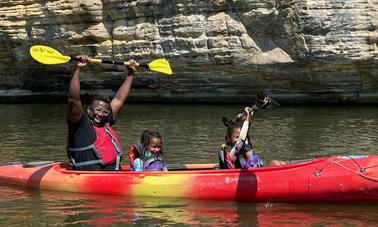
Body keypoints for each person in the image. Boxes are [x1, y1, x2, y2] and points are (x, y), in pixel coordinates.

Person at [66, 55, 137, 171]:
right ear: (89, 110)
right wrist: (77, 69)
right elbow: (74, 100)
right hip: (90, 178)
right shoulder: (80, 125)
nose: (100, 114)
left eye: (104, 112)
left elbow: (119, 100)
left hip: (113, 175)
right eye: (97, 110)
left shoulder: (105, 121)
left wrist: (130, 74)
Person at [218, 107, 285, 169]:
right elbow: (242, 138)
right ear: (229, 140)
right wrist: (246, 120)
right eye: (236, 137)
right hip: (245, 177)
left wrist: (249, 115)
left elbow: (246, 130)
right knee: (276, 164)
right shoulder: (232, 153)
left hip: (258, 172)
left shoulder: (246, 146)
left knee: (279, 163)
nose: (238, 139)